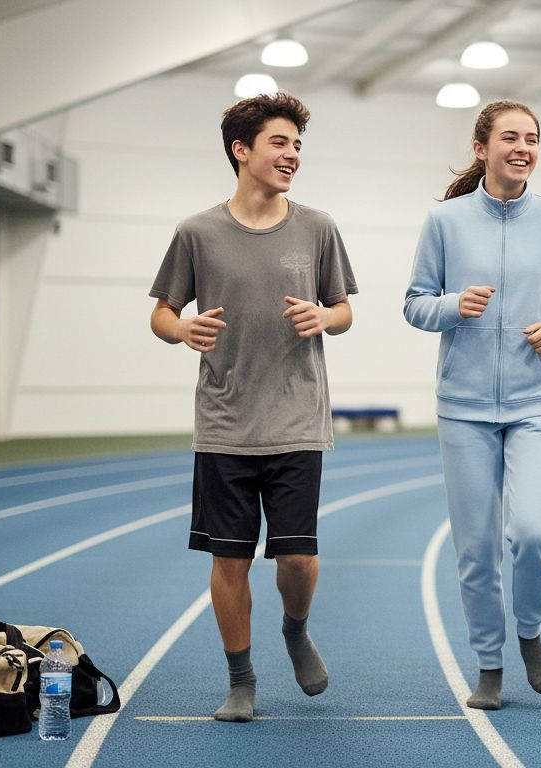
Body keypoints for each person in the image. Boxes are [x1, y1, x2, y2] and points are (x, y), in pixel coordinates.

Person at [149, 92, 357, 723]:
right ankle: (241, 679)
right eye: (279, 142)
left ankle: (295, 629)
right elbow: (160, 312)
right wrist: (182, 330)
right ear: (241, 151)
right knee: (230, 559)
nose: (292, 154)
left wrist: (326, 316)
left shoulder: (318, 227)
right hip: (224, 424)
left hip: (297, 420)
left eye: (297, 144)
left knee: (296, 557)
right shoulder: (196, 233)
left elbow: (344, 311)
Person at [403, 99, 541, 710]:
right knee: (476, 546)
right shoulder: (445, 221)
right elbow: (414, 303)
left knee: (536, 530)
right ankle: (489, 663)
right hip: (463, 406)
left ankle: (530, 631)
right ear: (481, 148)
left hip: (538, 399)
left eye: (532, 139)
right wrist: (452, 304)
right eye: (510, 137)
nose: (523, 148)